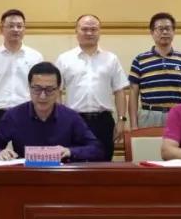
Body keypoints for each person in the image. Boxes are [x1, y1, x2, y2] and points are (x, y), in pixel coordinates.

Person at [0, 62, 103, 162]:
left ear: (58, 90)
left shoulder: (71, 117)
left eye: (49, 90)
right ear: (29, 88)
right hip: (25, 177)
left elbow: (96, 148)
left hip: (62, 177)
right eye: (37, 89)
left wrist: (70, 151)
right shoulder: (14, 116)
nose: (43, 96)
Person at [55, 14, 129, 161]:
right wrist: (59, 118)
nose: (89, 33)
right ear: (76, 31)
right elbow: (56, 91)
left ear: (99, 31)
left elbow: (119, 91)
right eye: (84, 29)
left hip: (103, 121)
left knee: (103, 162)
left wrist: (121, 120)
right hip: (74, 120)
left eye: (93, 29)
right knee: (73, 161)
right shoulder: (64, 59)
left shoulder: (111, 59)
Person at [0, 9, 43, 139]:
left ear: (24, 29)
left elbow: (40, 91)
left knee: (26, 151)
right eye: (11, 26)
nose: (16, 29)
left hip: (27, 114)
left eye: (19, 26)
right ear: (1, 30)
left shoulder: (36, 57)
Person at [129, 12, 181, 129]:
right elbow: (133, 94)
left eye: (168, 28)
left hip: (178, 115)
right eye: (160, 29)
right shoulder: (139, 60)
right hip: (149, 116)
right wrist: (133, 125)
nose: (165, 32)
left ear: (173, 31)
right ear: (152, 32)